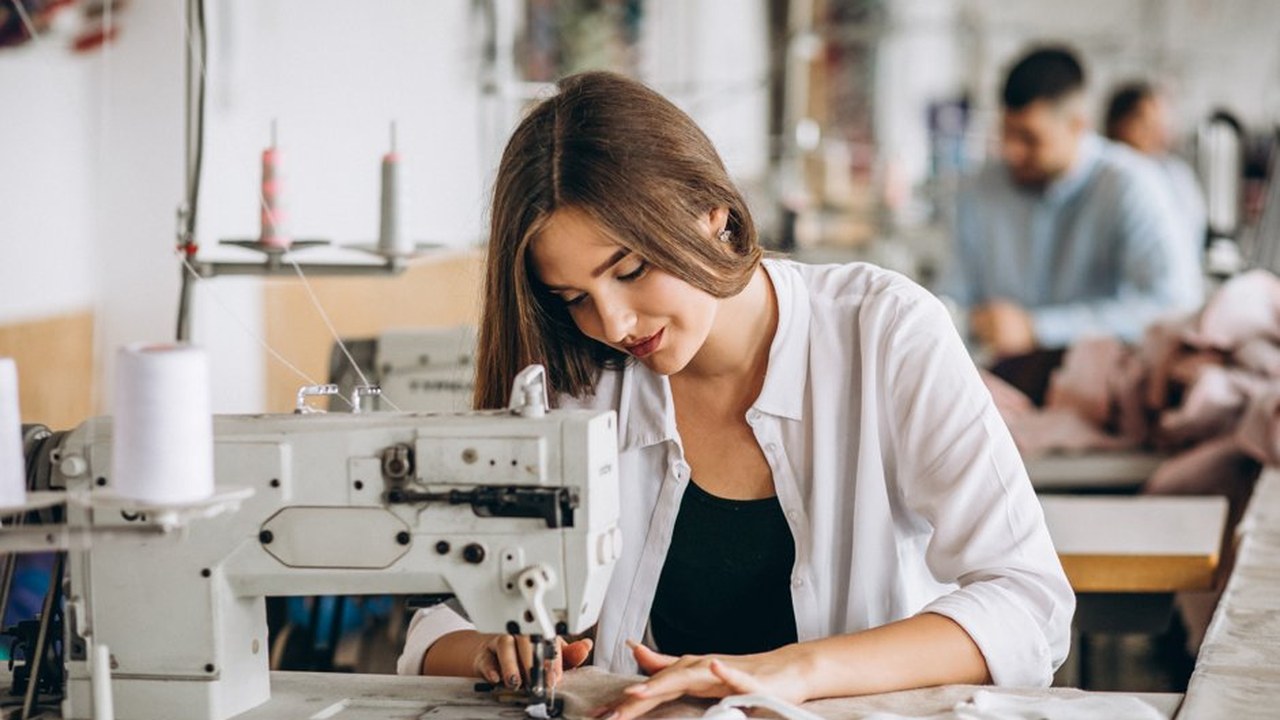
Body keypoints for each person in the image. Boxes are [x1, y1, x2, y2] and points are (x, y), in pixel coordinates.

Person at [398, 71, 1073, 720]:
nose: (613, 324)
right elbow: (440, 621)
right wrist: (495, 649)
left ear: (711, 211)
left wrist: (795, 670)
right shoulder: (584, 376)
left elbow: (1029, 607)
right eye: (574, 298)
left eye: (631, 270)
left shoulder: (884, 332)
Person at [940, 47, 1203, 359]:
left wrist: (1037, 329)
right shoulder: (982, 189)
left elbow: (1172, 307)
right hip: (997, 377)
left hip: (1099, 385)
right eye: (1007, 133)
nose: (1012, 152)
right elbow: (951, 296)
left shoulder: (1131, 185)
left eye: (1029, 138)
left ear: (1078, 125)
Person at [1105, 81, 1208, 261]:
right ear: (1120, 124)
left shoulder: (1176, 175)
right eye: (1146, 123)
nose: (1157, 133)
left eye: (1158, 124)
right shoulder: (1104, 176)